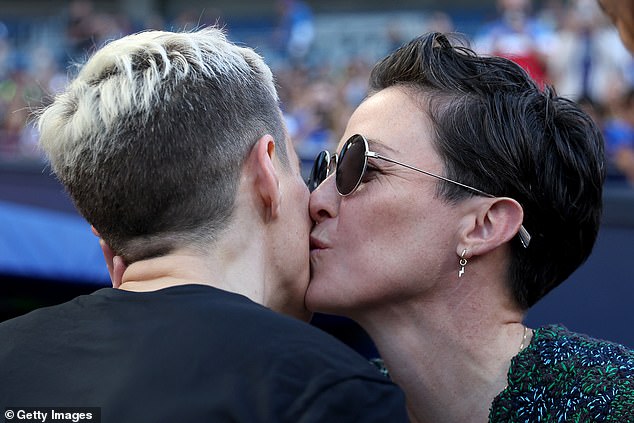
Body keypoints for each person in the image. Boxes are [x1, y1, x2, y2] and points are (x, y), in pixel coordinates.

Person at [0, 27, 408, 422]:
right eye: (302, 173)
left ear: (108, 247)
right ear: (265, 171)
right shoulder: (331, 393)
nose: (316, 199)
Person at [307, 32, 634, 422]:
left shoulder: (616, 404)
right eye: (325, 168)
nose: (317, 200)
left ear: (483, 226)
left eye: (360, 168)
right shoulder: (326, 409)